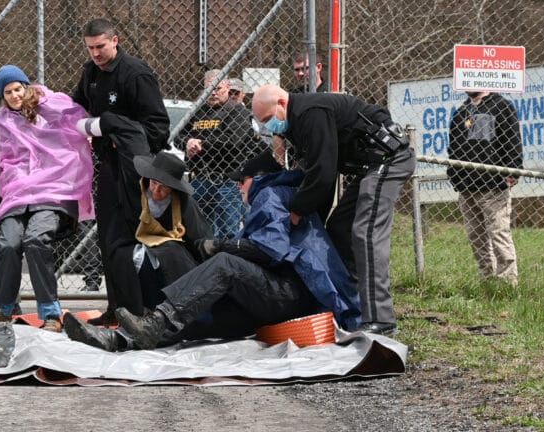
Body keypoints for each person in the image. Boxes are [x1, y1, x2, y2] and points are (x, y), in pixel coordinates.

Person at [63, 158, 361, 352]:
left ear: (256, 179)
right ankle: (119, 341)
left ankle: (154, 323)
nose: (237, 186)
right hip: (277, 295)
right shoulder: (279, 196)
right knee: (204, 317)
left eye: (240, 181)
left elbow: (269, 251)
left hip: (288, 294)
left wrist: (220, 246)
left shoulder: (269, 195)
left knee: (225, 264)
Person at [250, 85, 415, 335]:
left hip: (389, 160)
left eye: (267, 119)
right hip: (368, 168)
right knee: (339, 229)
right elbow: (320, 177)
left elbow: (323, 176)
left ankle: (381, 321)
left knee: (365, 233)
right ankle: (353, 306)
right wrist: (311, 218)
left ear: (282, 103)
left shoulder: (311, 113)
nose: (267, 126)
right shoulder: (296, 123)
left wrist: (296, 213)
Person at [72, 18, 170, 321]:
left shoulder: (136, 74)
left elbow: (158, 129)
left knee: (131, 238)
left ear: (115, 40)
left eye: (101, 46)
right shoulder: (91, 73)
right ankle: (117, 308)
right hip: (108, 168)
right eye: (90, 48)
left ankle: (144, 310)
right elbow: (77, 107)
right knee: (108, 239)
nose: (96, 54)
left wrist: (121, 136)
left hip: (136, 168)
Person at [0, 66, 94, 332]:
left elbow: (73, 120)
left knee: (35, 240)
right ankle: (2, 308)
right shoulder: (2, 119)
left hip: (51, 187)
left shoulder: (50, 105)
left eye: (18, 89)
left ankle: (50, 312)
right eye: (8, 92)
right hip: (16, 191)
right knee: (8, 245)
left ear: (26, 86)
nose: (14, 96)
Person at [178, 69, 267, 241]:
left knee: (228, 231)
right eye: (209, 89)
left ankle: (229, 265)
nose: (213, 93)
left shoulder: (237, 111)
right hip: (200, 178)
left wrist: (200, 144)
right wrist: (188, 143)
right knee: (198, 229)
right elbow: (179, 136)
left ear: (227, 86)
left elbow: (233, 140)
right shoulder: (198, 111)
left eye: (217, 88)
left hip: (227, 180)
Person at [447, 90, 522, 285]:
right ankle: (487, 280)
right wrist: (454, 176)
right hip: (466, 186)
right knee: (475, 236)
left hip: (492, 185)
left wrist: (513, 171)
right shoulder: (462, 111)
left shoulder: (501, 106)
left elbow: (512, 140)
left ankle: (507, 283)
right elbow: (453, 147)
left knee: (498, 232)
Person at [130, 151, 207, 309]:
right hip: (137, 246)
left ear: (173, 189)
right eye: (153, 183)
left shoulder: (185, 204)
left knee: (170, 255)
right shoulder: (136, 194)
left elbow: (200, 238)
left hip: (173, 255)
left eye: (163, 187)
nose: (156, 190)